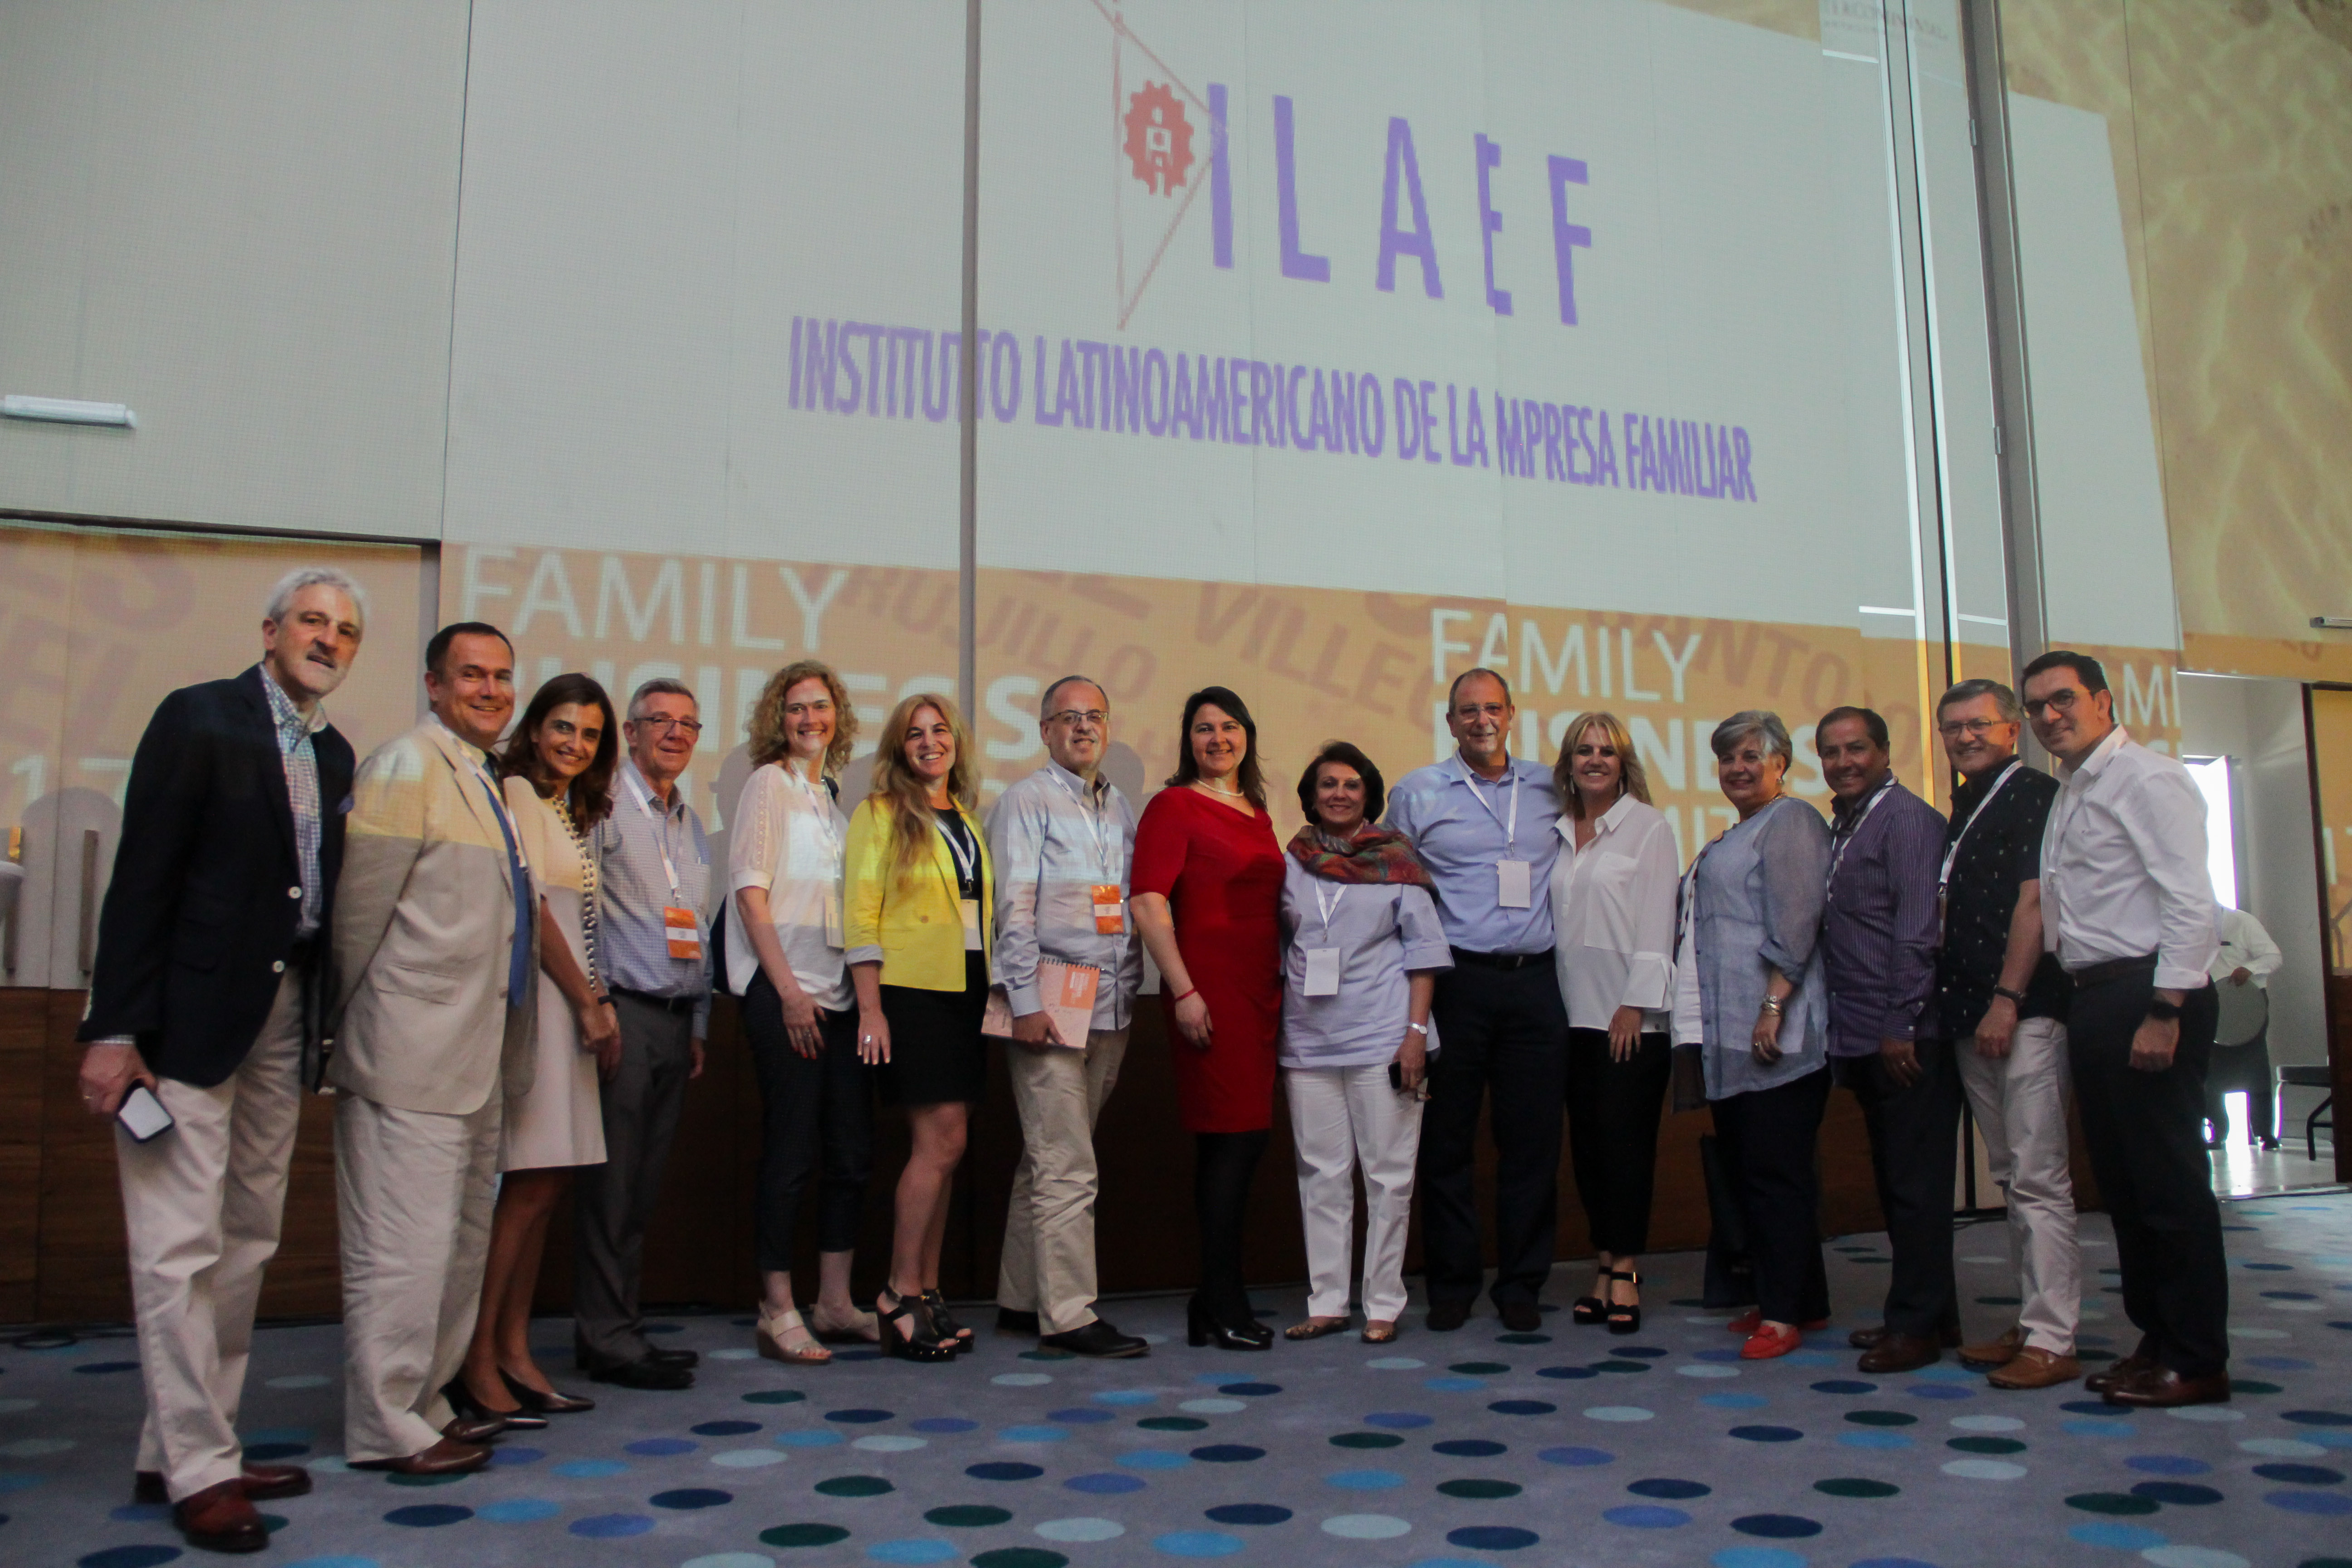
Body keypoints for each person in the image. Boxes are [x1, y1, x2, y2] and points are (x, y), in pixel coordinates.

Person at [78, 568, 364, 1551]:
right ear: (271, 629)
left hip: (285, 1022)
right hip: (186, 1026)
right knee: (178, 1246)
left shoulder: (336, 757)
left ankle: (187, 1449)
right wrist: (113, 1030)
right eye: (314, 622)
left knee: (246, 1238)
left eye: (346, 632)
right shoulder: (198, 719)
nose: (328, 640)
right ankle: (202, 1470)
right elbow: (142, 876)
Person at [332, 621, 537, 1475]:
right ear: (433, 683)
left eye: (501, 677)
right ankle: (385, 1423)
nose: (489, 690)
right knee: (402, 1251)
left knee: (453, 1248)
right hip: (407, 1054)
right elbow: (355, 921)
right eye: (471, 675)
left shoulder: (486, 780)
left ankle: (426, 1401)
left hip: (474, 1057)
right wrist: (349, 1033)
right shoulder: (403, 766)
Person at [2024, 650, 2226, 1407]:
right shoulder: (2075, 789)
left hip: (2149, 993)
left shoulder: (2148, 778)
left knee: (2168, 1185)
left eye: (2062, 699)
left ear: (2102, 701)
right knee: (2126, 1186)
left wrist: (2165, 1010)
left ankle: (2197, 1356)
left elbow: (2188, 902)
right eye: (2036, 705)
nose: (2048, 715)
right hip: (2096, 997)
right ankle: (2157, 1337)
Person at [448, 675, 621, 1428]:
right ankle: (473, 1358)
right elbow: (532, 908)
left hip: (573, 1007)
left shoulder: (568, 806)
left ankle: (514, 1351)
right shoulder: (515, 790)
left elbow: (582, 918)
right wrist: (586, 1003)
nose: (573, 743)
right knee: (522, 1187)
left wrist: (599, 1000)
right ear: (534, 727)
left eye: (587, 733)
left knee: (546, 1185)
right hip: (544, 1009)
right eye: (561, 727)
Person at [1385, 669, 1566, 1334]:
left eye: (1493, 708)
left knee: (1532, 1145)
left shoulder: (1552, 786)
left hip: (1537, 982)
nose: (1482, 720)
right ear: (1451, 722)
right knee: (1446, 1142)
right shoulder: (1416, 793)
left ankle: (1521, 1284)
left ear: (1513, 714)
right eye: (1468, 711)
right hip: (1456, 984)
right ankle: (1454, 1285)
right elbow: (1394, 890)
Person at [987, 676, 1148, 1358]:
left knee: (1048, 1158)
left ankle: (1023, 1299)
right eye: (1069, 718)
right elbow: (1013, 908)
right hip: (1050, 1001)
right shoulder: (1027, 801)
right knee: (1067, 1166)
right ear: (1045, 730)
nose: (1083, 728)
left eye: (1095, 717)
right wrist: (1024, 1002)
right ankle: (1071, 1314)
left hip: (1110, 1006)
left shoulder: (1121, 809)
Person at [1931, 677, 2081, 1391]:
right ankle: (2033, 1319)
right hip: (1969, 1014)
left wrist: (2007, 999)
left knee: (2040, 1178)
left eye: (1979, 725)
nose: (1965, 737)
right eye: (1953, 727)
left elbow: (2035, 903)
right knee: (2010, 1177)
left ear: (2012, 729)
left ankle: (2055, 1338)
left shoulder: (2034, 797)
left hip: (2019, 1012)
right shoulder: (1964, 808)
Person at [1671, 711, 1833, 1361]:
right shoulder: (1740, 832)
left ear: (1780, 763)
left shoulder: (1791, 822)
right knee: (1757, 1173)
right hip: (1734, 1037)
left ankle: (1786, 1315)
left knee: (1776, 1176)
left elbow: (1797, 925)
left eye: (1750, 757)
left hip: (1777, 1036)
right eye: (1727, 758)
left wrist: (1772, 1006)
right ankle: (1796, 1301)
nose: (1738, 768)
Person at [728, 661, 877, 1364]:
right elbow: (751, 897)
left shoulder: (835, 805)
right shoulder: (770, 786)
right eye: (795, 709)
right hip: (786, 997)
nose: (808, 719)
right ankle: (777, 1307)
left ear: (838, 717)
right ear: (777, 719)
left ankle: (836, 1303)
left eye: (821, 707)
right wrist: (788, 992)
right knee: (790, 1156)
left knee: (849, 1156)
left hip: (842, 1003)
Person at [1278, 743, 1450, 1345]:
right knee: (1321, 1176)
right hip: (1308, 1042)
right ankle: (1327, 1301)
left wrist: (1415, 1037)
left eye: (1352, 784)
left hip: (1383, 1037)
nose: (1340, 794)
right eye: (1328, 784)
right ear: (1311, 795)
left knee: (1388, 1176)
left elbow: (1425, 957)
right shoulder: (1293, 862)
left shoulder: (1397, 860)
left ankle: (1382, 1303)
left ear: (1368, 794)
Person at [1131, 686, 1286, 1350]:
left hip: (1260, 994)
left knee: (1244, 1143)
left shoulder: (1256, 812)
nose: (1216, 738)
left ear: (1247, 734)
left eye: (1227, 727)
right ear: (1187, 740)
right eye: (1202, 729)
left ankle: (1214, 1300)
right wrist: (1185, 989)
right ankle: (1222, 1301)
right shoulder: (1173, 806)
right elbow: (1146, 903)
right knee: (1230, 1141)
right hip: (1207, 993)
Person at [845, 692, 995, 1362]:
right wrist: (871, 1006)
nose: (930, 742)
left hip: (965, 991)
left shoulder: (966, 816)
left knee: (952, 1144)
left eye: (940, 731)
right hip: (909, 993)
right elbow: (861, 914)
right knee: (936, 1143)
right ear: (899, 748)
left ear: (956, 741)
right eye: (915, 734)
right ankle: (897, 1293)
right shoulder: (878, 815)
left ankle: (929, 1292)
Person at [576, 677, 713, 1391]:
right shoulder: (601, 807)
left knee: (643, 1186)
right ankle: (607, 1336)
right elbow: (580, 913)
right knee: (613, 1186)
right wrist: (597, 1003)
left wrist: (698, 1021)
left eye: (689, 725)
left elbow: (696, 930)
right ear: (628, 732)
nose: (676, 734)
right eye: (660, 721)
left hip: (673, 1019)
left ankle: (617, 1327)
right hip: (623, 1016)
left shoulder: (689, 822)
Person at [1811, 706, 1954, 1374]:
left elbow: (1919, 930)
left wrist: (1901, 1024)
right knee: (1899, 1183)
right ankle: (1931, 1314)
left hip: (1905, 1038)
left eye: (1856, 748)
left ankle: (1917, 1327)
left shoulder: (1909, 822)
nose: (1844, 762)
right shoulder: (1847, 822)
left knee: (1915, 1188)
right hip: (1863, 1035)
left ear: (1885, 751)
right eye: (1832, 752)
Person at [1548, 712, 1679, 1336]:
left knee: (1626, 1152)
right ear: (1568, 763)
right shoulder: (1554, 831)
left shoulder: (1648, 828)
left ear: (1623, 762)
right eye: (1583, 750)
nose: (1594, 759)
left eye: (1606, 751)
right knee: (1591, 1153)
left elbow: (1659, 919)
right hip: (1568, 1020)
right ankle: (1603, 1263)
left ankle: (1625, 1270)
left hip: (1628, 1023)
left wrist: (1637, 1002)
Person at [2205, 902, 2284, 1149]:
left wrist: (2249, 969)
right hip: (2211, 1007)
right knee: (2209, 1073)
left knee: (2256, 1069)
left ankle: (2264, 1133)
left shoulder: (2243, 923)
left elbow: (2273, 957)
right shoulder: (2188, 925)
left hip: (2247, 1007)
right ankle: (2218, 1132)